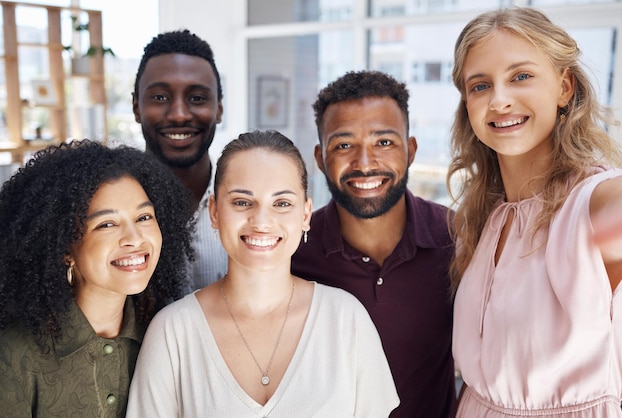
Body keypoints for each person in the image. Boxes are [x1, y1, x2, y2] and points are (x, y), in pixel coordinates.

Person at [126, 130, 399, 417]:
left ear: (305, 215)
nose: (262, 221)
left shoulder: (346, 320)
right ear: (215, 212)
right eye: (242, 202)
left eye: (282, 204)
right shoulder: (173, 332)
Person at [448, 7, 622, 417]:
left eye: (521, 76)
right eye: (480, 86)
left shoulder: (599, 204)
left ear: (564, 87)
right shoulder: (479, 218)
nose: (500, 100)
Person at [291, 70, 457, 418]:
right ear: (321, 159)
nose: (365, 164)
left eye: (384, 142)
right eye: (344, 145)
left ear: (410, 150)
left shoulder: (457, 238)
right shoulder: (292, 250)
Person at [0, 139, 194, 417]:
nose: (135, 238)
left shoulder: (166, 333)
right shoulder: (14, 354)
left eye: (144, 217)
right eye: (107, 224)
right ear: (64, 247)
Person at [133, 29, 228, 291]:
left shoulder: (251, 202)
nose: (178, 115)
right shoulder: (104, 205)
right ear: (136, 108)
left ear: (219, 109)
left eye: (197, 98)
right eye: (160, 97)